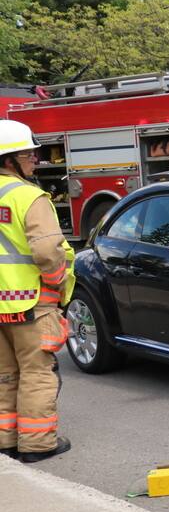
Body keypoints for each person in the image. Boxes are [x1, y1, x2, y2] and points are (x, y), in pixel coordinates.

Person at [0, 120, 74, 463]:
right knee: (36, 374)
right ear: (9, 159)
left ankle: (6, 440)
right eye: (28, 153)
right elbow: (47, 252)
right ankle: (37, 444)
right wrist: (58, 282)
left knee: (5, 376)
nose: (35, 159)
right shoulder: (29, 196)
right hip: (30, 302)